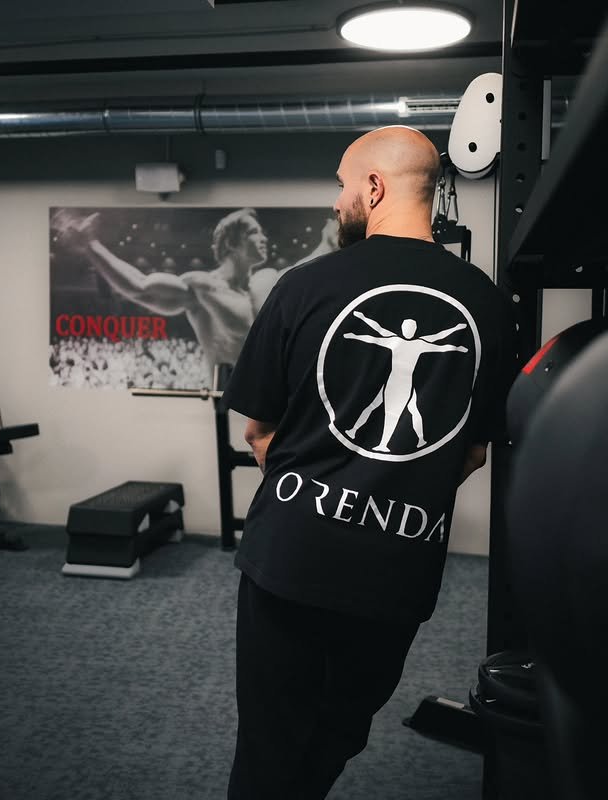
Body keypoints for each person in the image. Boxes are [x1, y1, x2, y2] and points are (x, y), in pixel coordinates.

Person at [221, 125, 517, 799]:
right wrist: (400, 484)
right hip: (398, 567)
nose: (337, 202)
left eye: (342, 185)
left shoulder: (304, 286)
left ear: (375, 187)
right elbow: (473, 450)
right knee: (340, 730)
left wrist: (316, 493)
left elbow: (259, 432)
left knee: (270, 742)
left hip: (293, 556)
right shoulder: (490, 306)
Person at [53, 208, 336, 375]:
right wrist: (91, 245)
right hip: (226, 404)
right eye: (254, 232)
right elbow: (140, 288)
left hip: (274, 406)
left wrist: (329, 242)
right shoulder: (203, 287)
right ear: (232, 243)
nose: (264, 238)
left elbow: (306, 269)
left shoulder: (267, 282)